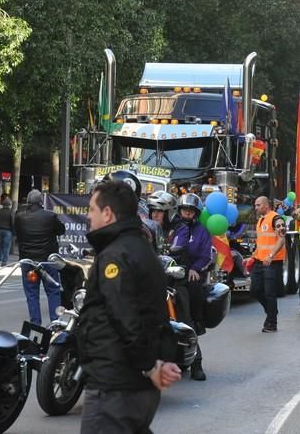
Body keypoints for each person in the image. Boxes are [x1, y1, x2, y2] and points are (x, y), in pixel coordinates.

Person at [79, 181, 181, 434]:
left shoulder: (116, 254)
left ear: (107, 213)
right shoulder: (141, 248)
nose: (88, 215)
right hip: (131, 386)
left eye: (92, 209)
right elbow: (155, 315)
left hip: (114, 385)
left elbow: (125, 316)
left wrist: (150, 365)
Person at [169, 193, 212, 381]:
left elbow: (205, 254)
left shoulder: (201, 231)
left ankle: (197, 361)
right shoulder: (169, 228)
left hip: (188, 273)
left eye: (190, 210)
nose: (187, 212)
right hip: (165, 272)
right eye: (184, 209)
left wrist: (193, 269)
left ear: (195, 213)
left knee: (186, 307)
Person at [14, 189, 65, 325]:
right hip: (48, 261)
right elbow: (61, 230)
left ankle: (35, 324)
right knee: (53, 291)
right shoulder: (50, 216)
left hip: (28, 260)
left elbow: (17, 233)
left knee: (31, 294)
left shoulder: (19, 216)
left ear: (28, 202)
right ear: (41, 202)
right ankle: (56, 323)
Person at [252, 196, 286, 332]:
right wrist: (252, 257)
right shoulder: (260, 220)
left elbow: (281, 239)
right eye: (255, 205)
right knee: (255, 290)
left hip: (272, 262)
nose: (256, 208)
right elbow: (261, 243)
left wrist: (271, 256)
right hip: (260, 261)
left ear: (266, 205)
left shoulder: (276, 219)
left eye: (258, 205)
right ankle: (271, 312)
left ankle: (272, 322)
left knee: (269, 293)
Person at [0, 194, 14, 267]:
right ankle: (4, 262)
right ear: (9, 205)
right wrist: (13, 232)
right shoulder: (11, 212)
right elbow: (12, 222)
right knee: (6, 247)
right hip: (8, 231)